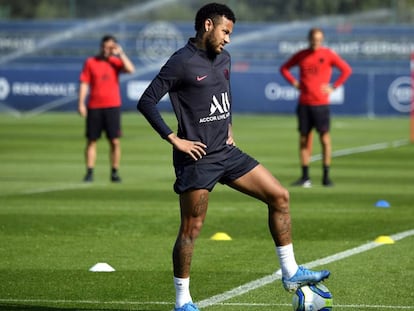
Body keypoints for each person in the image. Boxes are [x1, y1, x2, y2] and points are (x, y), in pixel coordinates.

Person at [137, 4, 330, 311]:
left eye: (230, 33)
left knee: (280, 196)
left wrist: (229, 126)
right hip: (198, 159)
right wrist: (175, 140)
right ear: (207, 25)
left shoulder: (224, 58)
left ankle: (291, 272)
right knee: (191, 229)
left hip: (226, 152)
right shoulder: (181, 62)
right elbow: (146, 101)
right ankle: (182, 301)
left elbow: (224, 91)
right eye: (225, 32)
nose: (228, 39)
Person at [280, 27, 352, 187]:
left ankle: (326, 176)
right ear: (309, 39)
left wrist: (334, 87)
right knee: (304, 140)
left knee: (325, 139)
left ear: (322, 40)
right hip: (304, 103)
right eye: (314, 39)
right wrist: (294, 82)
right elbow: (284, 69)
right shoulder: (302, 55)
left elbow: (346, 70)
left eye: (319, 39)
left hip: (321, 105)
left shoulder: (328, 54)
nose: (316, 42)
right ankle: (305, 177)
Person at [78, 34, 135, 183]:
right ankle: (89, 172)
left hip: (112, 106)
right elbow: (84, 83)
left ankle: (114, 171)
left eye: (109, 47)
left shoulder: (115, 62)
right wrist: (81, 103)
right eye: (104, 47)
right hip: (94, 106)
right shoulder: (91, 62)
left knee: (114, 141)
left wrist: (120, 53)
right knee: (91, 140)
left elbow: (130, 69)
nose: (105, 50)